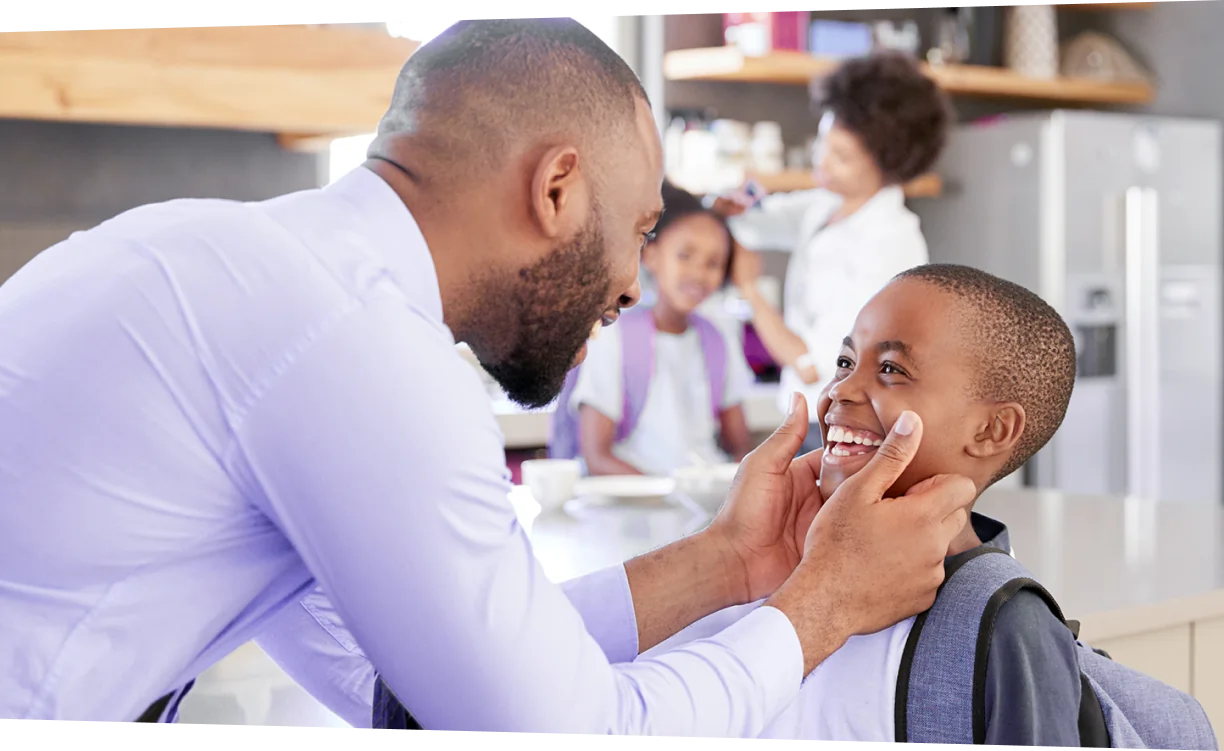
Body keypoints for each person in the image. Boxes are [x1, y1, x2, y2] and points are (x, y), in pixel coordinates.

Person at [0, 18, 975, 732]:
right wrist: (824, 605)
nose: (634, 285)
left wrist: (732, 562)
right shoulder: (360, 352)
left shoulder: (243, 267)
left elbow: (400, 672)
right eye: (638, 231)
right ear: (556, 189)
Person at [641, 264, 1089, 745]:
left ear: (990, 431)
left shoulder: (1008, 626)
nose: (841, 390)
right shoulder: (780, 565)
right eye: (845, 362)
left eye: (891, 370)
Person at [714, 51, 951, 455]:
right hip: (806, 412)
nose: (822, 161)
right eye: (823, 142)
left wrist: (751, 292)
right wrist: (730, 204)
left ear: (885, 164)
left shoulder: (889, 243)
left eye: (840, 157)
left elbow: (815, 364)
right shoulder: (826, 205)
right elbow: (754, 220)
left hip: (845, 422)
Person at [566, 181, 754, 476]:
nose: (698, 273)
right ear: (650, 256)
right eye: (685, 255)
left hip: (705, 506)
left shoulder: (719, 339)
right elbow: (596, 457)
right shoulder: (616, 338)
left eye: (714, 262)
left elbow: (741, 446)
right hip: (635, 507)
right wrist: (671, 497)